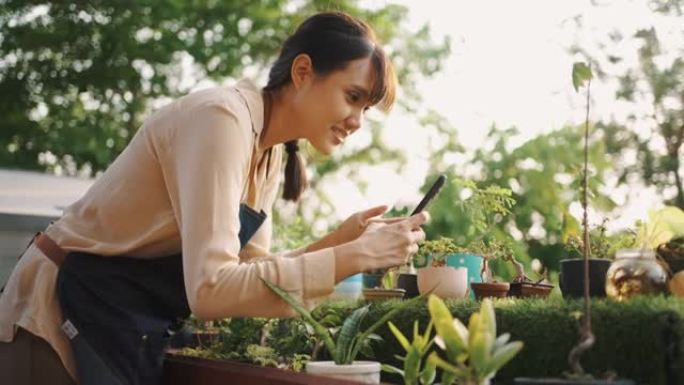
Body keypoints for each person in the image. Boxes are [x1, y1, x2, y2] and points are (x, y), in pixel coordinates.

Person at [0, 11, 427, 385]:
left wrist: (340, 244)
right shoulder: (221, 120)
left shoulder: (270, 154)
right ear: (302, 72)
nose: (357, 121)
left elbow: (245, 276)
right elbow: (212, 291)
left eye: (367, 108)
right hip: (57, 315)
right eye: (352, 97)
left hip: (118, 316)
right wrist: (354, 258)